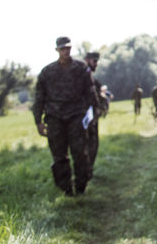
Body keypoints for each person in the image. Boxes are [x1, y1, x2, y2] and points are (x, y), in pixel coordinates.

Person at [33, 36, 98, 196]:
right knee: (59, 156)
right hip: (55, 118)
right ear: (57, 50)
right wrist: (38, 122)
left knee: (80, 153)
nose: (65, 51)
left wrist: (93, 117)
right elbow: (39, 98)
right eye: (62, 48)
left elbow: (90, 93)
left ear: (71, 49)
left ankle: (81, 186)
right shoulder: (47, 72)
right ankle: (66, 189)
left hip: (77, 116)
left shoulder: (81, 68)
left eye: (68, 48)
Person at [83, 51, 108, 172]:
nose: (96, 64)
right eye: (94, 61)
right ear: (87, 60)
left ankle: (87, 171)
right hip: (85, 117)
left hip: (91, 115)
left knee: (92, 145)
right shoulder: (83, 74)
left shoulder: (90, 76)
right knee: (89, 145)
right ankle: (85, 172)